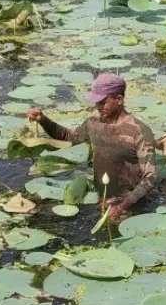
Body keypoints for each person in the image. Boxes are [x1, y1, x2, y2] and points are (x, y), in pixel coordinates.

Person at [26, 74, 156, 223]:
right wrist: (43, 120)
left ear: (119, 99)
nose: (97, 106)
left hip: (130, 204)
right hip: (102, 198)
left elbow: (150, 177)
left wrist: (124, 205)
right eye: (96, 102)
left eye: (102, 102)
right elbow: (68, 136)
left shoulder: (139, 131)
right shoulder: (94, 123)